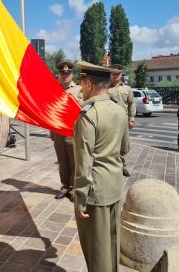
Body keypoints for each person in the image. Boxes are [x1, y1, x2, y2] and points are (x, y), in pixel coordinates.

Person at [73, 61, 129, 272]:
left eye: (81, 83)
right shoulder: (119, 111)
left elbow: (84, 161)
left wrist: (80, 198)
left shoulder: (88, 115)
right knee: (112, 243)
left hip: (95, 191)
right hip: (114, 185)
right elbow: (125, 148)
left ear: (88, 83)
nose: (80, 89)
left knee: (96, 249)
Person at [51, 61, 82, 201]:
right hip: (58, 131)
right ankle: (65, 187)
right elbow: (51, 111)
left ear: (72, 74)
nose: (65, 75)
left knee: (75, 161)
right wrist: (51, 130)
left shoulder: (79, 90)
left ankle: (74, 189)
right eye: (62, 73)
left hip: (73, 131)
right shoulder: (53, 89)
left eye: (67, 73)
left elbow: (84, 110)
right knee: (62, 161)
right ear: (59, 74)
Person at [108, 63, 135, 177]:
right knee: (109, 145)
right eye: (114, 74)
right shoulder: (105, 87)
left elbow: (131, 104)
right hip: (109, 121)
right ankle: (111, 167)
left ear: (121, 75)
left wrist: (132, 119)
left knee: (124, 146)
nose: (116, 76)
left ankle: (122, 166)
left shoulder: (127, 89)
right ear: (110, 75)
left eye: (118, 74)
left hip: (123, 121)